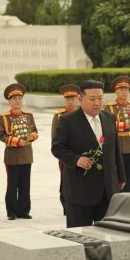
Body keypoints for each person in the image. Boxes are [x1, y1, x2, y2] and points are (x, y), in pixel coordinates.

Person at [51, 80, 126, 228]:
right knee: (79, 235)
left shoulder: (109, 118)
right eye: (92, 99)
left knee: (106, 233)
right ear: (81, 99)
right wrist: (76, 159)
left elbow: (116, 149)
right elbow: (57, 148)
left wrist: (121, 176)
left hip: (107, 190)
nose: (97, 103)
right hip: (79, 190)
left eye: (100, 98)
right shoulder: (67, 121)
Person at [0, 83, 38, 220]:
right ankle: (12, 212)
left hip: (26, 154)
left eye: (19, 98)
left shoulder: (28, 115)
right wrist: (16, 141)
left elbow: (35, 131)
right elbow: (1, 135)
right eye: (14, 99)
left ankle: (24, 211)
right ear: (9, 101)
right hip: (12, 155)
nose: (17, 101)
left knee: (25, 185)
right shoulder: (4, 117)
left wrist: (32, 137)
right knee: (12, 184)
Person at [104, 76, 130, 192]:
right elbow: (107, 125)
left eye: (126, 89)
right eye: (121, 89)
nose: (124, 92)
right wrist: (125, 126)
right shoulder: (110, 107)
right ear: (116, 91)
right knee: (118, 177)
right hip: (117, 146)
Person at [51, 84, 80, 215]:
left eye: (73, 98)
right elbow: (55, 137)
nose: (70, 101)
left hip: (81, 154)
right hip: (66, 155)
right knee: (65, 181)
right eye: (67, 98)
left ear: (78, 99)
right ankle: (66, 205)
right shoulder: (59, 116)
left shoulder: (82, 114)